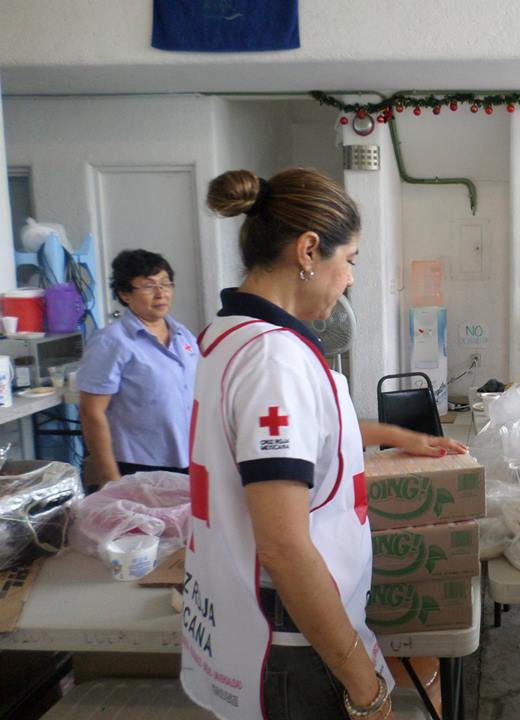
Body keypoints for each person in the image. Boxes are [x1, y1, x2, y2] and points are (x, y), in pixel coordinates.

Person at [182, 167, 465, 720]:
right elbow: (285, 547)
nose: (350, 278)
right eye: (350, 260)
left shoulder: (229, 334)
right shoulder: (275, 358)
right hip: (296, 639)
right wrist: (365, 687)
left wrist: (397, 437)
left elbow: (298, 439)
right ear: (309, 250)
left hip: (262, 622)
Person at [77, 249, 198, 482]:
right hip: (139, 465)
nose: (161, 293)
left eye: (165, 284)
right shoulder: (112, 341)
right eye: (149, 286)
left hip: (189, 459)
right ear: (125, 294)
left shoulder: (184, 335)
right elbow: (91, 411)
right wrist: (110, 476)